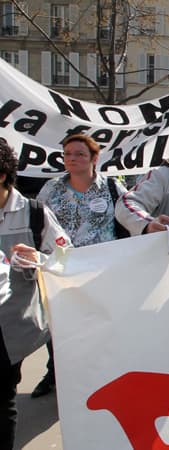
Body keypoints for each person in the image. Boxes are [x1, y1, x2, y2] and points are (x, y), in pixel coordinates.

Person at [34, 134, 129, 398]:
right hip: (62, 272)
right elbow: (37, 221)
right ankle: (56, 373)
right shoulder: (51, 189)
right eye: (68, 154)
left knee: (99, 325)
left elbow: (131, 211)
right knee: (60, 327)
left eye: (79, 154)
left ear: (94, 159)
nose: (72, 159)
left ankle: (101, 375)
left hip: (103, 271)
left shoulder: (111, 187)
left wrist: (149, 224)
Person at [0, 138, 71, 450]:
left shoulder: (34, 214)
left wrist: (39, 259)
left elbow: (66, 257)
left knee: (2, 401)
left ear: (2, 174)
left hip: (12, 330)